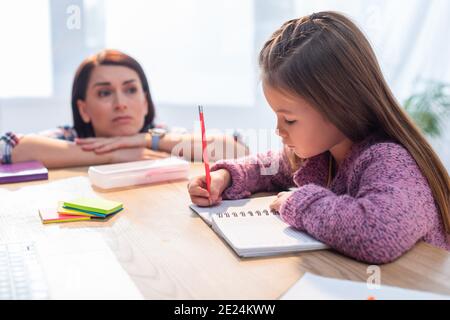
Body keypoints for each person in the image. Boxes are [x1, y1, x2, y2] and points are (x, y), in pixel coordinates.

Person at [188, 12, 450, 264]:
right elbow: (269, 166)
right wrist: (226, 177)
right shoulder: (321, 155)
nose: (279, 130)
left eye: (289, 119)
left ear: (339, 105)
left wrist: (297, 203)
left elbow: (376, 233)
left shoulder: (390, 161)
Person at [0, 50, 248, 168]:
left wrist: (145, 140)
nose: (120, 103)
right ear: (84, 109)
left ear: (145, 101)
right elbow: (8, 147)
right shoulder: (72, 138)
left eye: (130, 90)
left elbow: (237, 150)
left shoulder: (158, 136)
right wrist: (112, 155)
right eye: (105, 93)